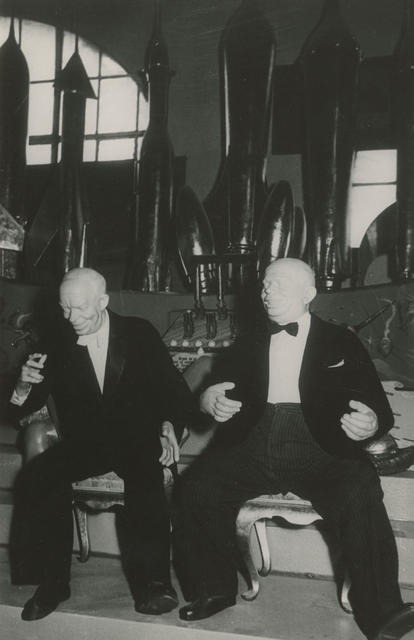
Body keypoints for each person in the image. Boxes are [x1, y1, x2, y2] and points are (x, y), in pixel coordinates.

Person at [175, 258, 414, 640]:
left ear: (309, 295)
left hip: (321, 450)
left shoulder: (340, 340)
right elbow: (216, 387)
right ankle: (214, 590)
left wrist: (371, 422)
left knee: (361, 493)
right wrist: (207, 400)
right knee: (197, 487)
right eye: (265, 286)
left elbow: (377, 407)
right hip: (253, 446)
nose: (268, 293)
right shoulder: (250, 340)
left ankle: (383, 613)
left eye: (279, 286)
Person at [8, 267, 197, 621]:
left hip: (137, 437)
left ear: (103, 302)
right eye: (65, 308)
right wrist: (21, 386)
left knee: (146, 473)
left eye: (80, 308)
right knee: (38, 475)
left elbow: (175, 391)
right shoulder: (57, 339)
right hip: (87, 442)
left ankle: (154, 584)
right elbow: (25, 405)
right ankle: (53, 583)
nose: (71, 317)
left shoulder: (139, 333)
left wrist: (171, 424)